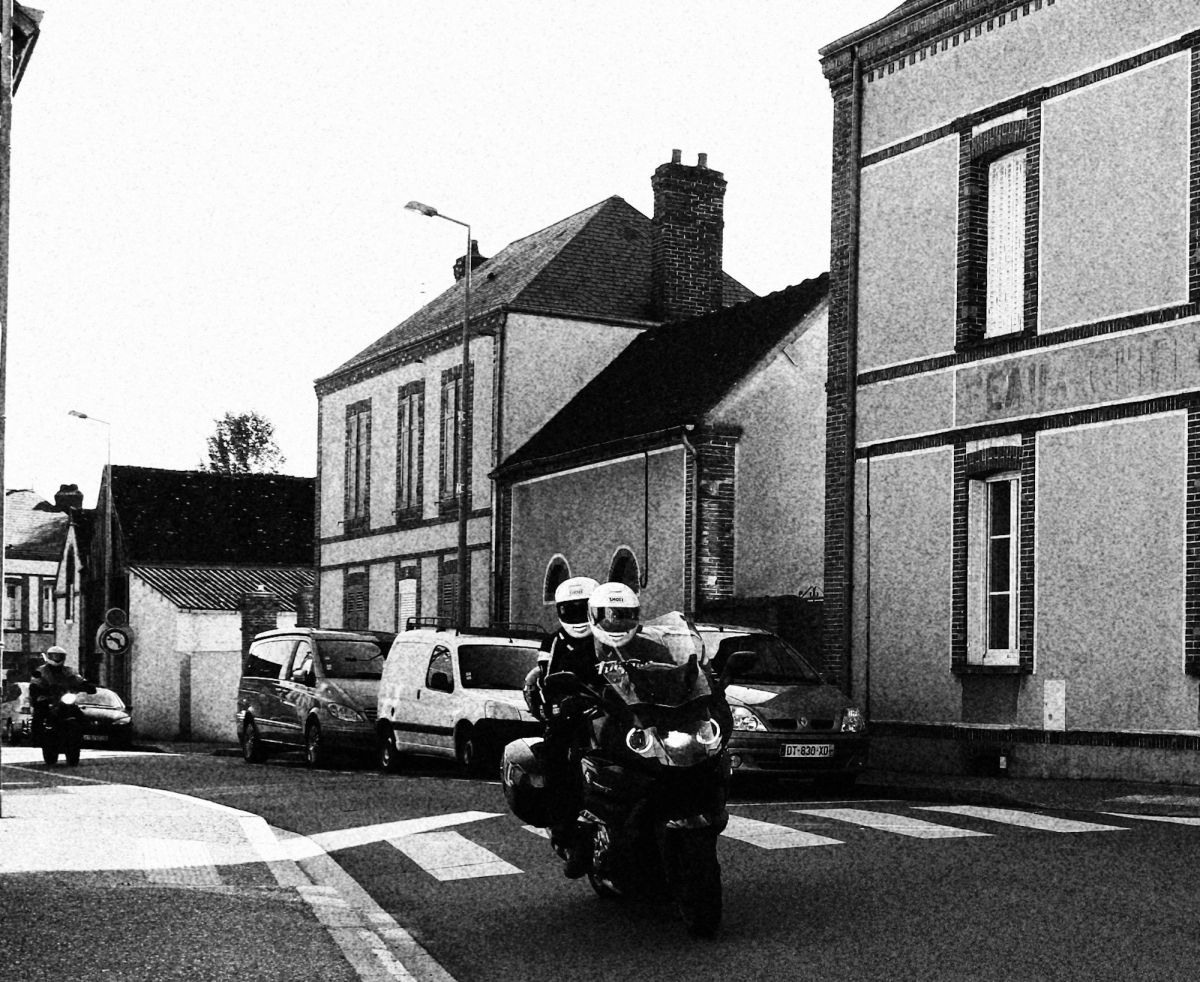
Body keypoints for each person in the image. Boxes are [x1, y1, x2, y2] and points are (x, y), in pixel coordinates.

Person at [521, 576, 599, 877]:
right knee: (559, 760)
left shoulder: (611, 635)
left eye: (583, 608)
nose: (577, 616)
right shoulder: (554, 641)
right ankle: (566, 832)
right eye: (570, 609)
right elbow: (545, 677)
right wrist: (560, 702)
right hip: (572, 716)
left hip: (615, 711)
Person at [29, 645, 93, 742]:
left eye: (59, 656)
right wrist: (37, 688)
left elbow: (78, 678)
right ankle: (36, 736)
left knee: (78, 713)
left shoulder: (69, 670)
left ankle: (85, 735)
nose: (56, 658)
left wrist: (87, 685)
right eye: (54, 656)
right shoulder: (40, 670)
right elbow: (35, 682)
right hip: (47, 697)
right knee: (39, 712)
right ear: (48, 656)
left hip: (64, 697)